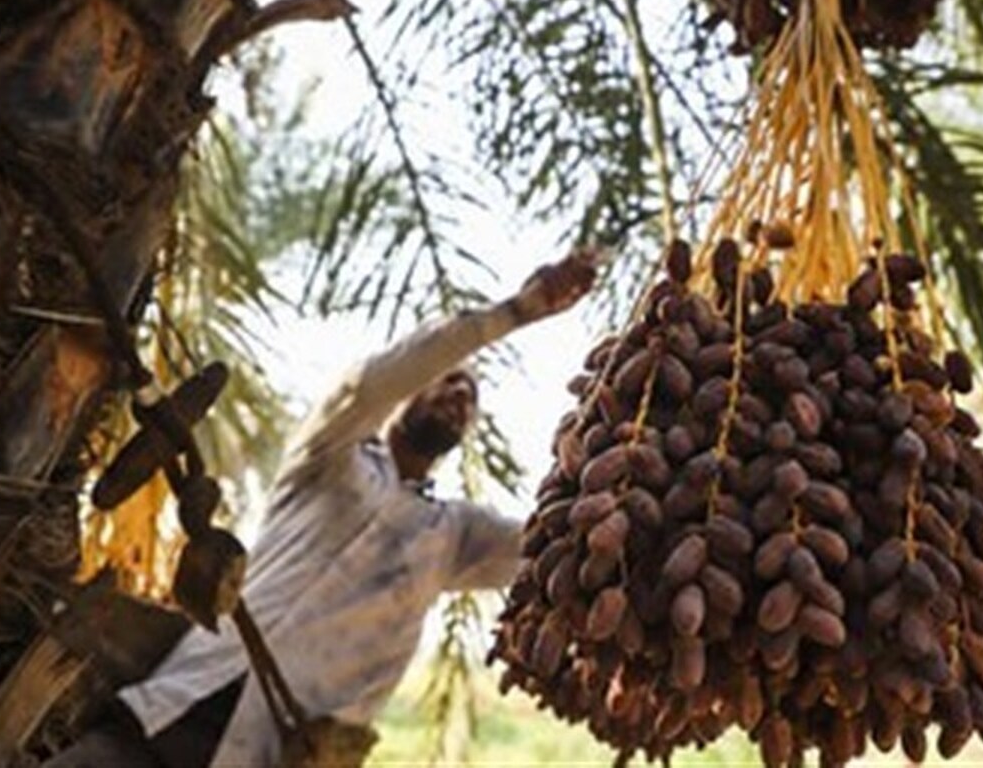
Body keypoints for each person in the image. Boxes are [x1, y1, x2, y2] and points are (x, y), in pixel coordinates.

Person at [46, 250, 597, 768]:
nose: (460, 397)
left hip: (270, 754)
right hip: (167, 715)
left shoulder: (452, 536)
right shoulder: (329, 454)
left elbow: (550, 545)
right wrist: (517, 313)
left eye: (470, 399)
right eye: (449, 381)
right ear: (405, 394)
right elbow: (371, 384)